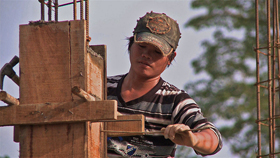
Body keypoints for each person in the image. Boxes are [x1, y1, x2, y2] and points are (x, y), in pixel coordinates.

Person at [107, 11, 222, 157]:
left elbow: (214, 140)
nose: (146, 55)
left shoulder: (174, 101)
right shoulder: (100, 87)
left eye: (156, 51)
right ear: (131, 43)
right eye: (142, 46)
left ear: (170, 58)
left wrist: (193, 139)